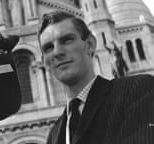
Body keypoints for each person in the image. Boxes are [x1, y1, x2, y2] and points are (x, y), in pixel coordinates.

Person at [38, 11, 154, 144]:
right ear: (44, 61)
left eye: (67, 40)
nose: (57, 52)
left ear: (90, 44)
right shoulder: (54, 134)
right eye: (48, 48)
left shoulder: (137, 89)